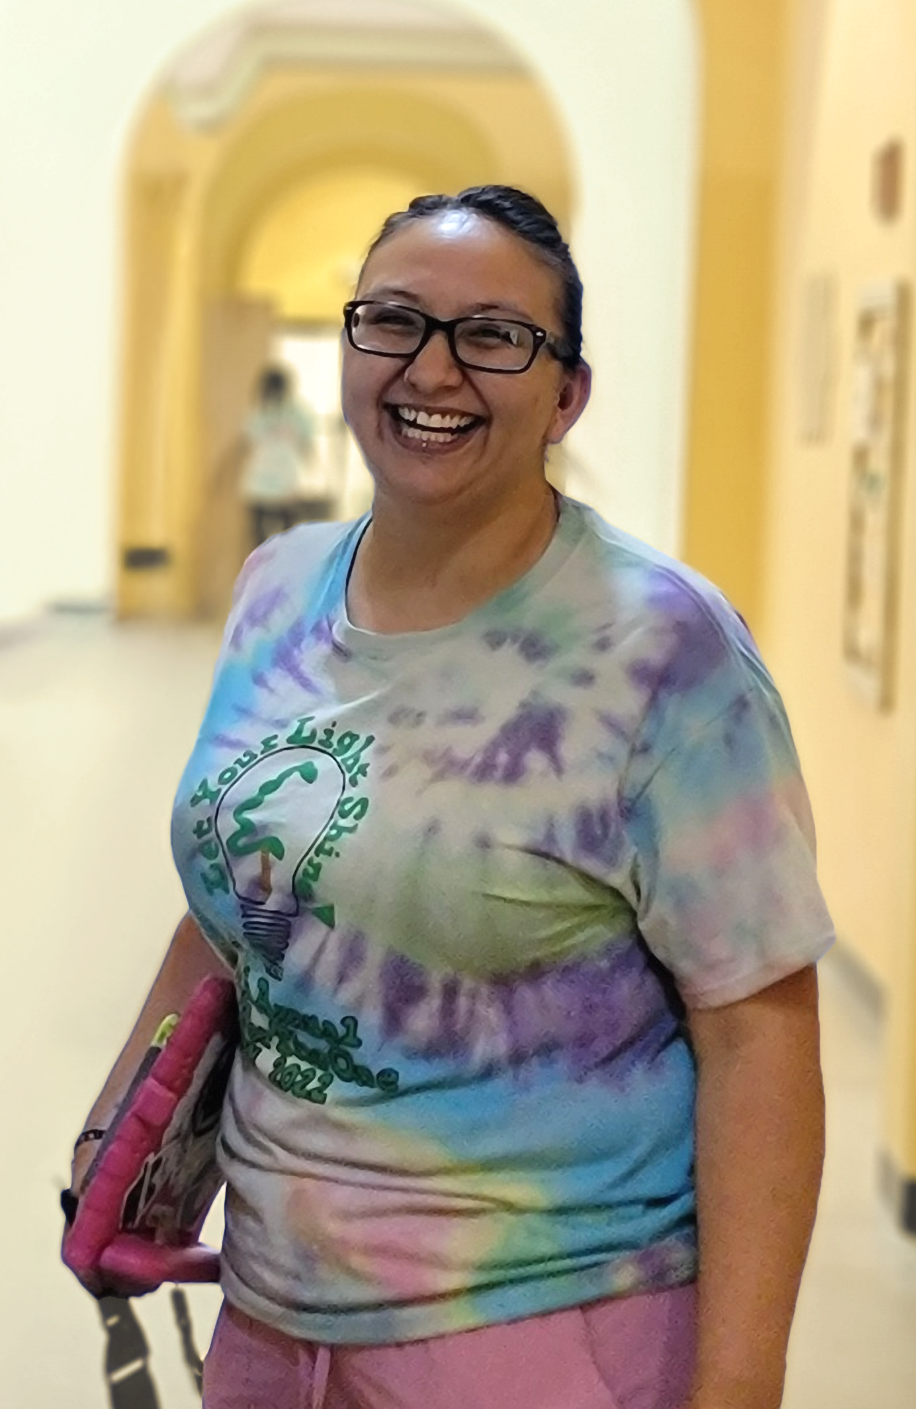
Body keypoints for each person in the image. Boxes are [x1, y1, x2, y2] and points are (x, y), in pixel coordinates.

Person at [66, 186, 835, 1409]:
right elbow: (238, 902)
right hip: (268, 1315)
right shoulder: (278, 588)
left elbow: (758, 1037)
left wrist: (738, 1390)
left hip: (540, 1328)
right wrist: (122, 1138)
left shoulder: (662, 652)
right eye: (394, 320)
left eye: (492, 336)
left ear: (566, 394)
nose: (433, 368)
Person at [240, 364, 319, 547]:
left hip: (285, 479)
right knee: (260, 535)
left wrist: (311, 471)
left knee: (286, 534)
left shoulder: (296, 412)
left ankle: (280, 563)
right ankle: (262, 563)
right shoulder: (260, 411)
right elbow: (250, 443)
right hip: (261, 478)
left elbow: (307, 444)